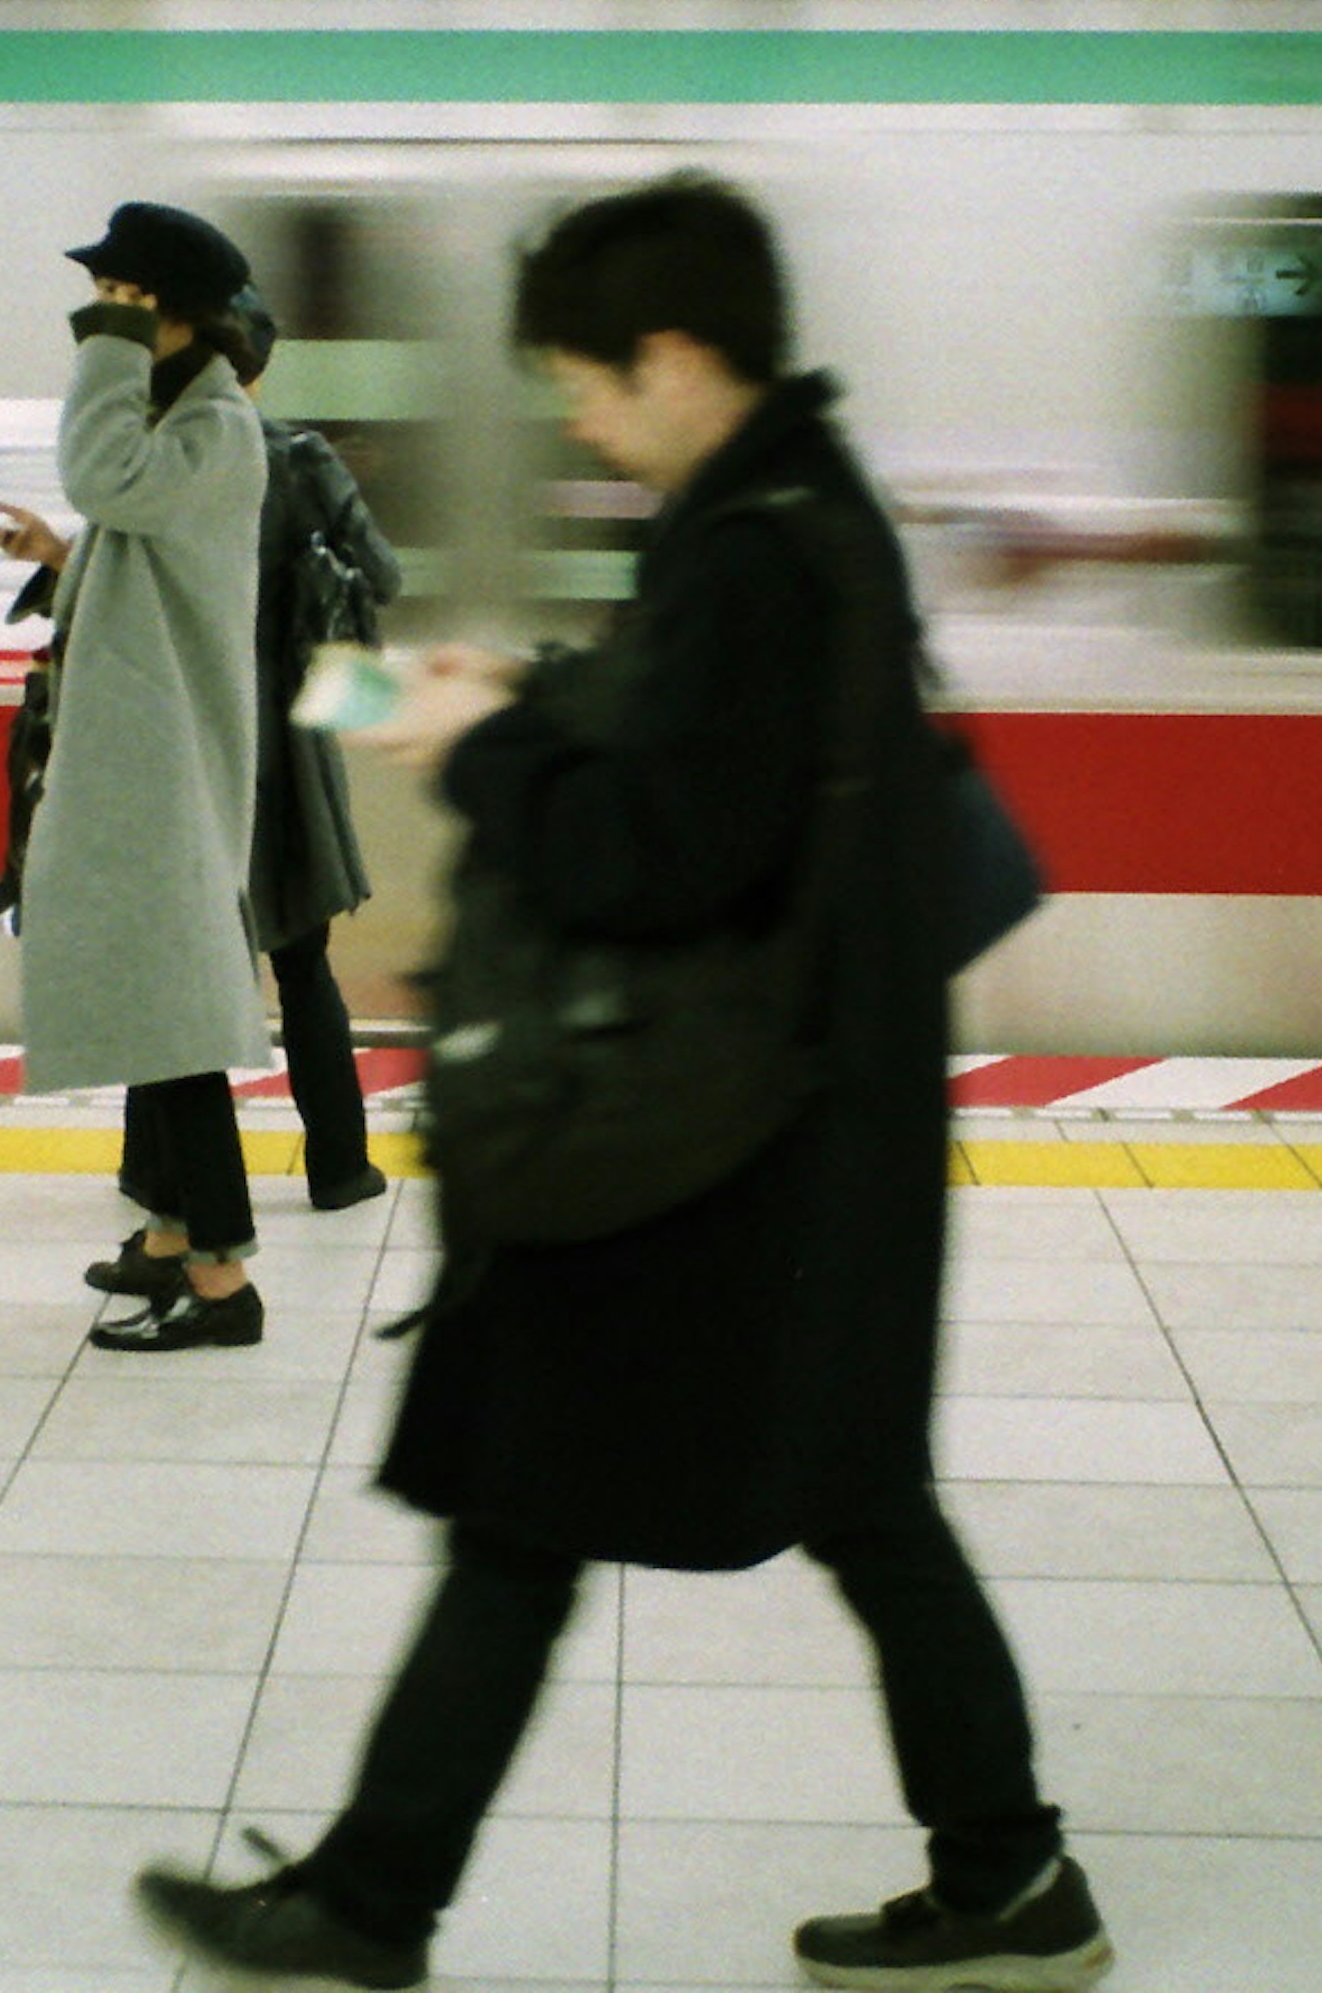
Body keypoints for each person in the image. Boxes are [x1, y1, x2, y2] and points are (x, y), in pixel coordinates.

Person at [135, 178, 1108, 1988]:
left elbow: (651, 858)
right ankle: (1008, 1880)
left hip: (725, 1148)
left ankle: (368, 1907)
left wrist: (475, 738)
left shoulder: (749, 550)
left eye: (585, 382)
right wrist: (535, 686)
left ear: (671, 359)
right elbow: (730, 763)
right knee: (853, 1498)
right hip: (823, 1125)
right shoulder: (803, 513)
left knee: (528, 1501)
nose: (577, 418)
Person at [0, 200, 274, 1353]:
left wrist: (101, 352)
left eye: (119, 299)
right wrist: (62, 561)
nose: (98, 316)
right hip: (139, 759)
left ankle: (224, 1285)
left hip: (164, 771)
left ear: (167, 311)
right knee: (149, 1009)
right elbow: (138, 559)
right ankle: (168, 1238)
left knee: (175, 1022)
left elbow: (105, 475)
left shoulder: (220, 432)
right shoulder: (184, 430)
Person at [217, 285, 402, 1212]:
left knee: (188, 965)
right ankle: (339, 1166)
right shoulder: (298, 457)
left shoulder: (159, 463)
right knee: (301, 961)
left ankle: (155, 1174)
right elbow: (384, 573)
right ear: (262, 362)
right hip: (286, 749)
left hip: (195, 743)